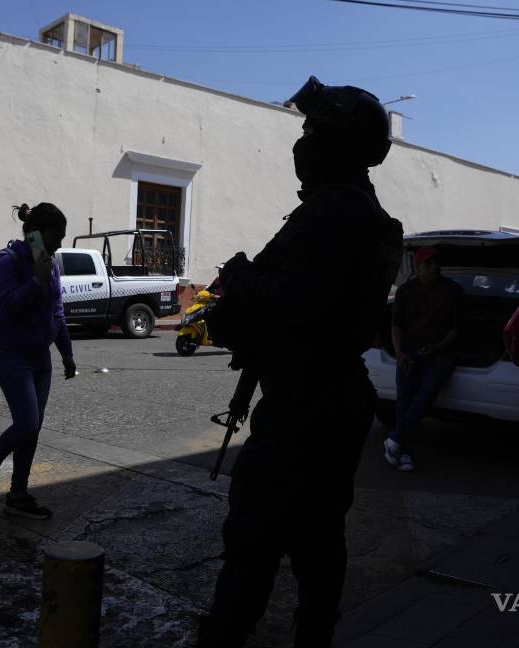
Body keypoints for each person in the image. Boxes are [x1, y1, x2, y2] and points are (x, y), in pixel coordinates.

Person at [196, 76, 403, 647]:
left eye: (313, 130)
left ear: (339, 143)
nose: (302, 142)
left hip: (306, 403)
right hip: (326, 396)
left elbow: (292, 304)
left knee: (255, 539)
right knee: (317, 536)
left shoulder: (335, 214)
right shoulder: (350, 212)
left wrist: (239, 284)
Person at [0, 203, 77, 520]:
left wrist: (66, 353)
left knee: (33, 429)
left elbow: (57, 312)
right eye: (55, 237)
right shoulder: (7, 261)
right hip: (10, 354)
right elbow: (6, 307)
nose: (58, 245)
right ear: (35, 234)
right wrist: (35, 282)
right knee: (26, 423)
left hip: (41, 358)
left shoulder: (51, 265)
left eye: (61, 238)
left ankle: (18, 494)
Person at [386, 246, 463, 472]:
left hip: (441, 353)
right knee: (405, 399)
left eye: (436, 263)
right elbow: (396, 325)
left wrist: (438, 347)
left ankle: (396, 440)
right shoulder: (405, 292)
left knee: (425, 396)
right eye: (428, 263)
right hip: (409, 350)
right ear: (418, 267)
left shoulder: (453, 291)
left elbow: (457, 330)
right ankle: (405, 451)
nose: (434, 267)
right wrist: (400, 353)